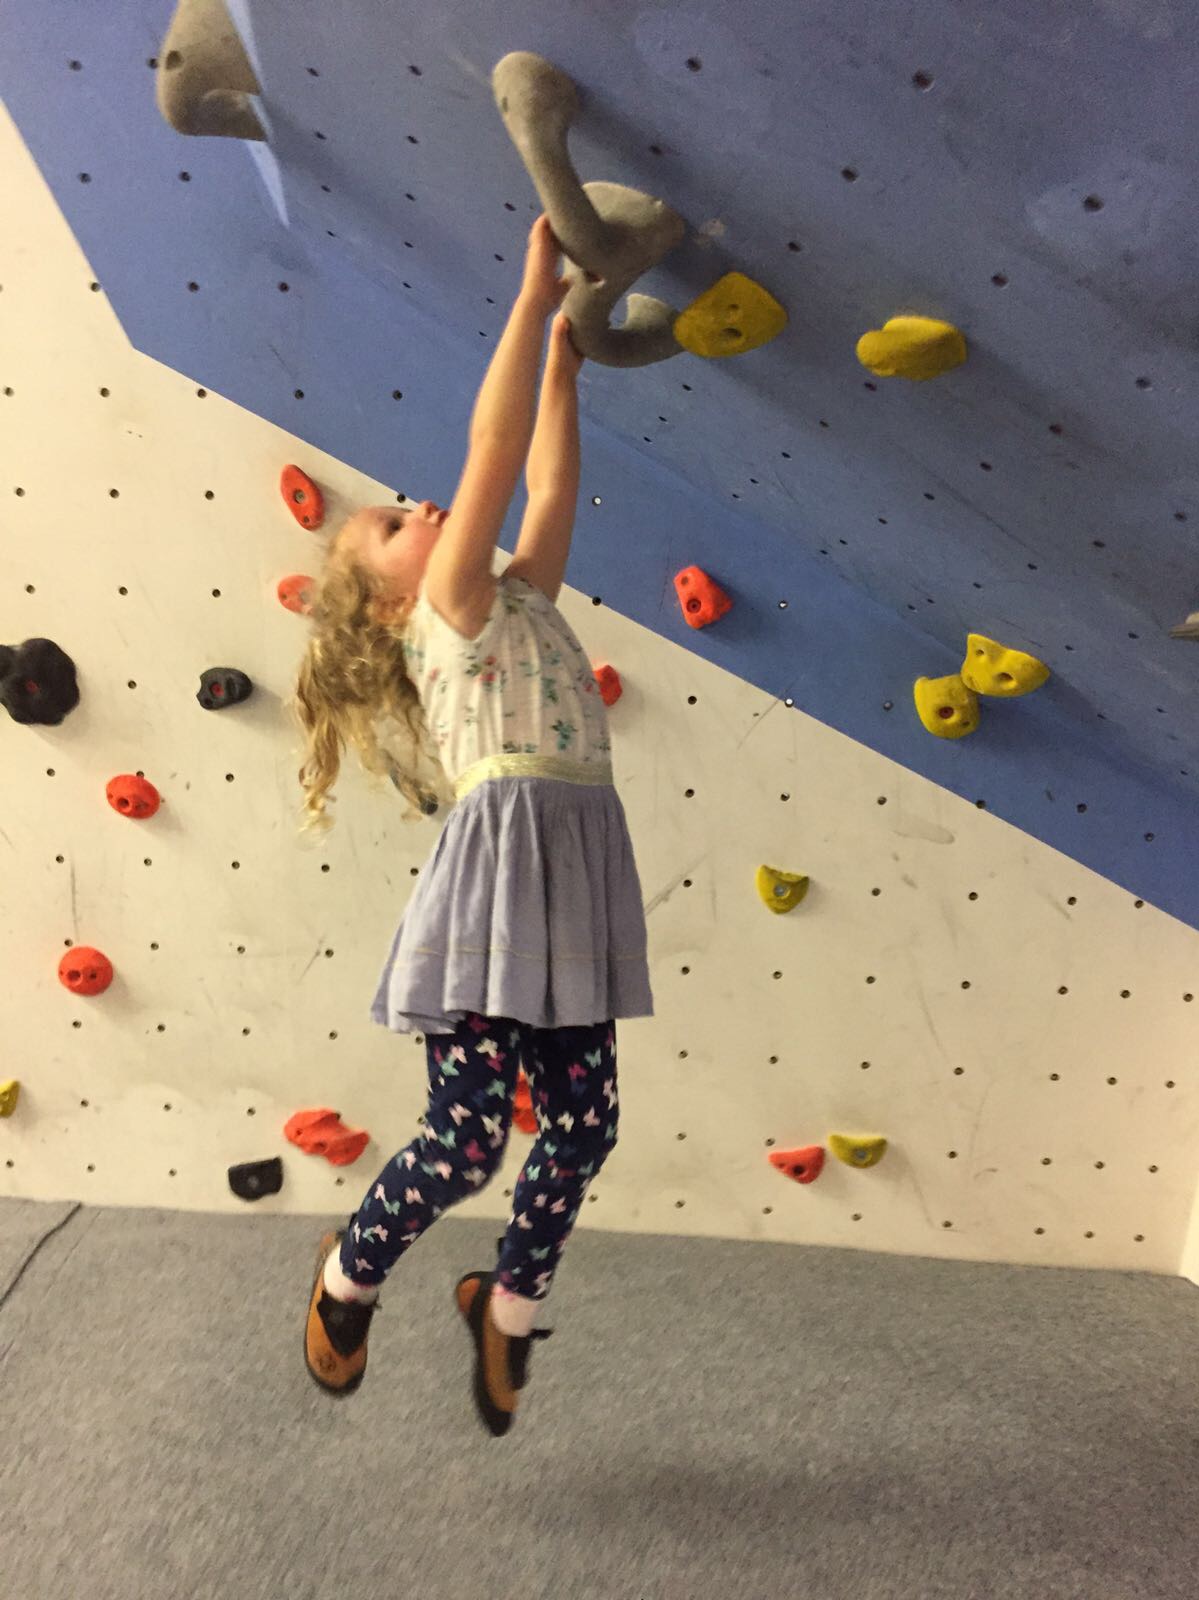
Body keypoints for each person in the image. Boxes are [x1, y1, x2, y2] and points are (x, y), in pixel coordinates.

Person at [292, 216, 653, 1436]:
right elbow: (494, 453)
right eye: (396, 522)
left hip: (571, 874)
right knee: (464, 1146)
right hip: (499, 885)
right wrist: (531, 292)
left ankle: (502, 1313)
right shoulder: (447, 612)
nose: (428, 509)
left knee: (587, 1128)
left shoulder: (521, 599)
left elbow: (546, 483)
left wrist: (564, 361)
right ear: (394, 597)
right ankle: (349, 1275)